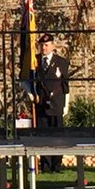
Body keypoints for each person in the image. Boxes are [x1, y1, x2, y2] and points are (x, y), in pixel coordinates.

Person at [29, 33, 70, 172]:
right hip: (41, 103)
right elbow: (28, 80)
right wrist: (31, 94)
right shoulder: (35, 61)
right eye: (42, 45)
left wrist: (66, 105)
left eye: (46, 45)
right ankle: (45, 165)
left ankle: (56, 165)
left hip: (57, 103)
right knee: (43, 135)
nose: (44, 48)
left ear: (53, 46)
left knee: (58, 136)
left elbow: (65, 85)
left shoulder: (61, 62)